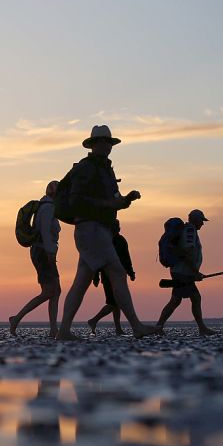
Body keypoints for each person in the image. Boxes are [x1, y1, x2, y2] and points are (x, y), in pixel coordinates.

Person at [56, 126, 160, 341]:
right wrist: (108, 203)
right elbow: (77, 200)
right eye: (102, 142)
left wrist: (126, 200)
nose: (106, 146)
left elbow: (114, 202)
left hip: (96, 230)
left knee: (82, 281)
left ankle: (64, 330)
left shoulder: (106, 169)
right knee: (118, 273)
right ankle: (136, 326)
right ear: (93, 145)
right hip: (91, 229)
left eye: (108, 142)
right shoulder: (86, 168)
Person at [9, 181, 61, 338]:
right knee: (48, 292)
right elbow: (45, 232)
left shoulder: (47, 207)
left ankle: (53, 329)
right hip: (43, 252)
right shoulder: (48, 208)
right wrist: (51, 253)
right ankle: (16, 318)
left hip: (44, 251)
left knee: (55, 291)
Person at [156, 209, 217, 336]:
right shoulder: (190, 231)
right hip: (183, 272)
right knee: (193, 298)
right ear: (195, 219)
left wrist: (194, 272)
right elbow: (186, 252)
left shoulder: (188, 230)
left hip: (181, 271)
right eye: (201, 220)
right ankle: (202, 328)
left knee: (177, 300)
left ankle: (159, 326)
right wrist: (195, 272)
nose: (202, 223)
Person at [87, 219, 135, 335]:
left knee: (116, 303)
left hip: (117, 275)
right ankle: (93, 320)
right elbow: (99, 259)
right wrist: (96, 277)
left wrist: (130, 272)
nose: (118, 229)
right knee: (113, 303)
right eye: (116, 227)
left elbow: (126, 258)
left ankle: (118, 329)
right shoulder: (107, 241)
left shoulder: (120, 240)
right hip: (108, 276)